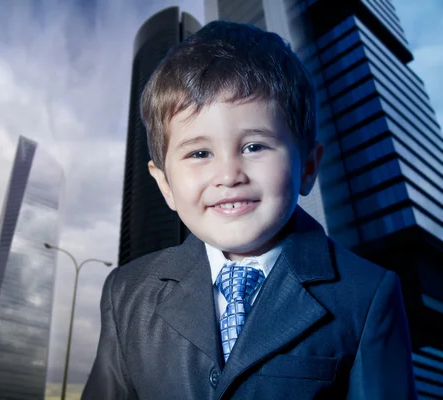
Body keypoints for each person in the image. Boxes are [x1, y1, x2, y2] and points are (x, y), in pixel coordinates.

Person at [82, 20, 416, 399]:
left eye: (255, 146)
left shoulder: (367, 294)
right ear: (165, 185)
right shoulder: (126, 292)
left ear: (307, 167)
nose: (228, 175)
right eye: (199, 153)